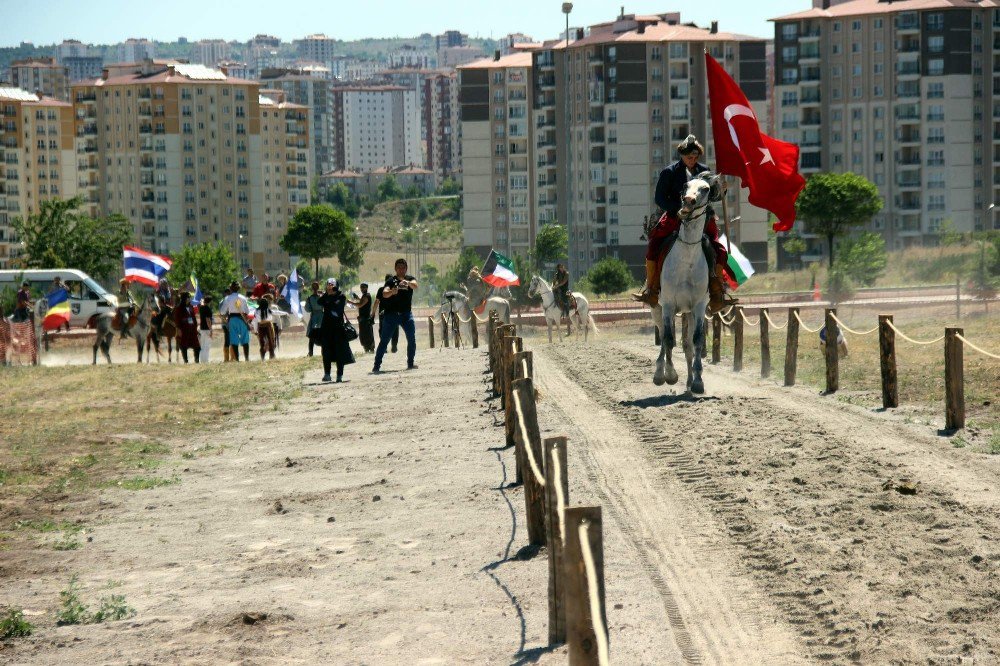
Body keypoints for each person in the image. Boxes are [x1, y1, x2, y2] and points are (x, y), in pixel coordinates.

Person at [633, 134, 736, 313]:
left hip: (702, 219)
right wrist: (678, 210)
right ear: (682, 155)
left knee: (719, 250)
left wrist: (722, 190)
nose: (693, 160)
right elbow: (659, 198)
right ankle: (652, 289)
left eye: (695, 157)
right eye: (689, 157)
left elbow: (714, 196)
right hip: (675, 216)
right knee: (653, 247)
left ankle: (717, 293)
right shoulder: (669, 172)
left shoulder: (704, 172)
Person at [372, 258, 419, 373]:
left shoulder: (410, 279)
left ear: (406, 269)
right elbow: (384, 293)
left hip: (406, 315)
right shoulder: (391, 281)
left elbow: (415, 285)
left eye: (403, 268)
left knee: (411, 338)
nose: (401, 270)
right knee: (384, 341)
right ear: (395, 269)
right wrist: (393, 291)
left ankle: (410, 363)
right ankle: (376, 365)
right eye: (399, 268)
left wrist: (406, 283)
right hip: (391, 315)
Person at [318, 277, 355, 382]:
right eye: (329, 285)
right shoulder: (326, 296)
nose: (330, 287)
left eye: (332, 286)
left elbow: (337, 308)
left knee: (340, 352)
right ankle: (327, 374)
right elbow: (319, 302)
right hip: (326, 328)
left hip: (338, 328)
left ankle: (339, 375)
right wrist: (327, 293)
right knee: (326, 351)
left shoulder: (341, 296)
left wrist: (331, 297)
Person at [220, 281, 251, 362]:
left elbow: (222, 312)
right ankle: (247, 358)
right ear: (239, 288)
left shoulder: (227, 298)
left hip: (232, 320)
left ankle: (237, 359)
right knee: (245, 339)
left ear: (231, 288)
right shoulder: (243, 298)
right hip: (242, 319)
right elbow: (247, 311)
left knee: (234, 339)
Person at [173, 291, 201, 363]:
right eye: (188, 297)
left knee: (197, 346)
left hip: (192, 329)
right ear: (184, 298)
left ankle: (197, 360)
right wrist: (178, 329)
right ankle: (186, 361)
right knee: (184, 345)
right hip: (184, 329)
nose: (189, 299)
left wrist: (196, 328)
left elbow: (193, 317)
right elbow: (177, 319)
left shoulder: (191, 307)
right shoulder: (179, 308)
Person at [373, 276, 399, 354]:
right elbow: (377, 301)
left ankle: (387, 347)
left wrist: (373, 313)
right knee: (394, 329)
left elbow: (376, 302)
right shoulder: (394, 290)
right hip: (388, 313)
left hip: (385, 313)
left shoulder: (382, 290)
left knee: (383, 330)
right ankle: (393, 347)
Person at [348, 283, 375, 353]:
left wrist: (350, 302)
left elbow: (360, 305)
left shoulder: (367, 296)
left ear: (366, 288)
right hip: (363, 319)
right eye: (361, 287)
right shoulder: (365, 296)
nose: (362, 289)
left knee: (367, 334)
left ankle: (370, 348)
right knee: (364, 334)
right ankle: (367, 348)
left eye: (363, 287)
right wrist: (357, 298)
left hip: (365, 319)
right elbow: (362, 302)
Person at [551, 264, 574, 337]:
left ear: (563, 267)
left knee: (565, 299)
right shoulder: (557, 274)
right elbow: (554, 281)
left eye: (562, 267)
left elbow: (564, 282)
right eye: (559, 267)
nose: (561, 268)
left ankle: (566, 311)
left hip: (565, 290)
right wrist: (552, 286)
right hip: (558, 289)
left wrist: (557, 286)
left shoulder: (566, 274)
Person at [254, 294, 278, 360]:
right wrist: (285, 313)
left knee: (262, 342)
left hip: (260, 327)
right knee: (271, 341)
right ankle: (272, 355)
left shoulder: (256, 311)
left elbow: (256, 321)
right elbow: (277, 312)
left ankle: (263, 357)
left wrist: (255, 330)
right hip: (268, 326)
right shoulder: (269, 311)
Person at [304, 281, 323, 357]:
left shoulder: (310, 298)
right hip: (321, 317)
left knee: (312, 335)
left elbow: (307, 309)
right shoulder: (321, 297)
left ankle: (311, 352)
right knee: (321, 335)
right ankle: (314, 352)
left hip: (315, 317)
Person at [199, 294, 214, 363]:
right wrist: (211, 330)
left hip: (202, 328)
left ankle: (202, 360)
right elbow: (208, 320)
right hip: (207, 329)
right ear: (210, 302)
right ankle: (206, 360)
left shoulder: (201, 308)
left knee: (202, 345)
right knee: (207, 346)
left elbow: (201, 303)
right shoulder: (208, 309)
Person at [220, 287, 232, 362]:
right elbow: (222, 314)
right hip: (226, 324)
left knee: (231, 340)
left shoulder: (229, 301)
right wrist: (227, 323)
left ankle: (232, 357)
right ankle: (226, 358)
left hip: (229, 323)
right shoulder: (222, 302)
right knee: (227, 340)